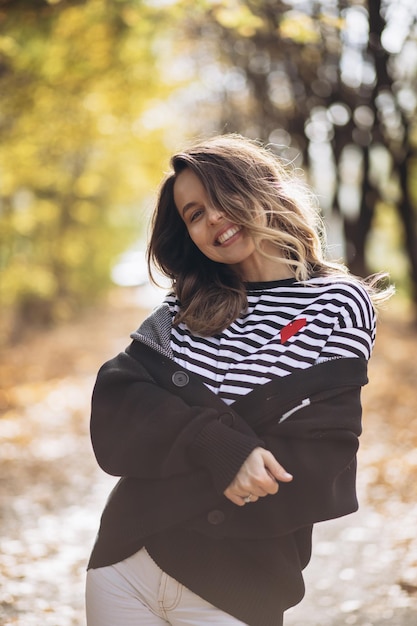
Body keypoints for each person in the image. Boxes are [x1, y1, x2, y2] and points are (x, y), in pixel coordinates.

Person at [85, 134, 393, 626]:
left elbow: (319, 458)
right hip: (124, 565)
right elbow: (117, 410)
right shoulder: (183, 306)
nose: (213, 220)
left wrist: (175, 440)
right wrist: (223, 451)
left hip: (237, 589)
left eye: (222, 198)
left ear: (262, 188)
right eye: (194, 215)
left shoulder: (338, 303)